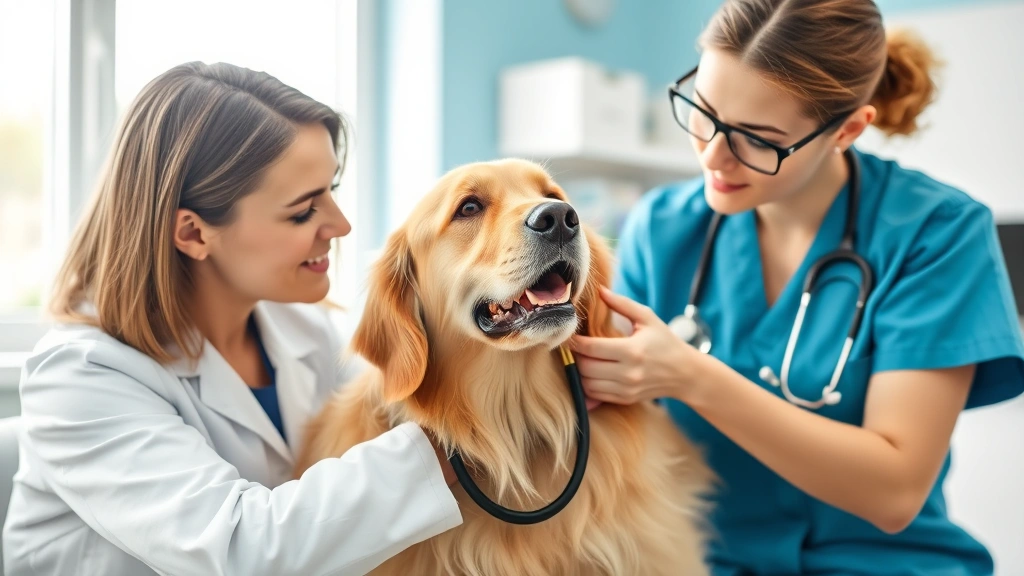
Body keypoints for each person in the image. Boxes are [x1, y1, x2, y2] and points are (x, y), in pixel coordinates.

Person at [571, 1, 1024, 575]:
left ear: (848, 130)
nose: (713, 156)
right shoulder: (661, 228)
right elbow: (609, 419)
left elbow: (895, 492)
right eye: (703, 111)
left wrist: (691, 376)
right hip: (702, 561)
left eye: (757, 138)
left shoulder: (937, 233)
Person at [2, 62, 462, 576]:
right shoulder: (79, 378)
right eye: (302, 211)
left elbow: (396, 407)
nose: (340, 224)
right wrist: (458, 448)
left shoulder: (304, 330)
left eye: (331, 190)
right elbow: (241, 552)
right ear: (193, 233)